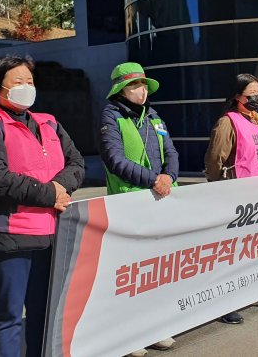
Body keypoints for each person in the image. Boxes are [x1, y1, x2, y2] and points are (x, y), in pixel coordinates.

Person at [0, 56, 85, 357]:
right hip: (9, 237)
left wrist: (59, 188)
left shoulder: (49, 122)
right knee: (9, 316)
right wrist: (51, 193)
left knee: (41, 314)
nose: (26, 87)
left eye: (29, 81)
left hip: (52, 234)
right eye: (17, 82)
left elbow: (77, 163)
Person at [99, 62, 179, 355]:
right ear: (121, 90)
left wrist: (169, 176)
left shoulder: (154, 116)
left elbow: (170, 151)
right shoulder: (111, 117)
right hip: (129, 202)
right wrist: (153, 179)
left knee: (158, 269)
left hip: (160, 199)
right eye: (135, 86)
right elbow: (114, 160)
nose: (142, 91)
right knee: (132, 273)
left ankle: (155, 326)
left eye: (144, 85)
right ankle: (129, 334)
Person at [204, 73, 258, 324]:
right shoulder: (228, 122)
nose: (257, 98)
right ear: (237, 96)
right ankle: (228, 301)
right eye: (251, 94)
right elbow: (215, 159)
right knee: (234, 251)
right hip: (237, 196)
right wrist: (221, 188)